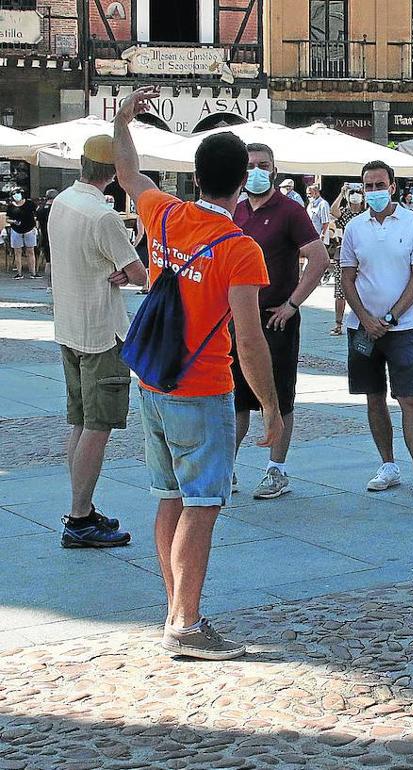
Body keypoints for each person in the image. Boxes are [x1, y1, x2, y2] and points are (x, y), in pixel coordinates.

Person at [114, 86, 280, 660]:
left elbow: (129, 172)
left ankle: (176, 608)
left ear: (197, 174)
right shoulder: (240, 248)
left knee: (168, 497)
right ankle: (184, 624)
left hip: (153, 383)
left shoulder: (164, 215)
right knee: (202, 504)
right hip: (203, 389)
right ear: (243, 183)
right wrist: (273, 408)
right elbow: (250, 338)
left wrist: (122, 120)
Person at [48, 136, 147, 549]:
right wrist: (127, 271)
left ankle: (82, 509)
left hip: (69, 326)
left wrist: (118, 271)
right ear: (114, 173)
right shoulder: (103, 217)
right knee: (97, 427)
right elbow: (140, 273)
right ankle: (79, 517)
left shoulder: (63, 202)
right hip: (102, 333)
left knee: (79, 423)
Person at [340, 160, 413, 500]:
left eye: (378, 184)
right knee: (373, 398)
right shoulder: (355, 227)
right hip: (362, 328)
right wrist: (365, 318)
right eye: (367, 186)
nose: (373, 191)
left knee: (408, 397)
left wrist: (389, 317)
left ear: (392, 186)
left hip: (401, 328)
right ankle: (387, 464)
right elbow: (346, 277)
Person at [231, 144, 329, 500]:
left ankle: (276, 470)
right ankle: (229, 468)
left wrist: (292, 303)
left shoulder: (289, 210)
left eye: (263, 165)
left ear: (274, 169)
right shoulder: (236, 210)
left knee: (278, 395)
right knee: (238, 398)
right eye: (251, 165)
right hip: (238, 318)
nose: (257, 170)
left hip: (275, 318)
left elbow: (319, 257)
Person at [328, 185, 366, 336]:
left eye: (358, 193)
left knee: (364, 290)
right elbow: (333, 211)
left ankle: (363, 320)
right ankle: (338, 324)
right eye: (353, 193)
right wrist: (342, 193)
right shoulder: (345, 213)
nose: (355, 195)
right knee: (340, 291)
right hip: (344, 255)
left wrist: (365, 193)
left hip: (363, 256)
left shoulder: (366, 213)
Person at [6, 188, 37, 279]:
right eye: (14, 194)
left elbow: (35, 215)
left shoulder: (30, 204)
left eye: (18, 193)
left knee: (30, 251)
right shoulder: (10, 207)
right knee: (17, 251)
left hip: (30, 230)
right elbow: (7, 219)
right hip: (16, 230)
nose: (16, 196)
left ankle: (33, 272)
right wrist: (13, 221)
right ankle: (19, 273)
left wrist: (36, 227)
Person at [35, 188, 56, 273]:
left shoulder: (41, 208)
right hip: (56, 237)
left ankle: (48, 281)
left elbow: (37, 224)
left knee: (48, 261)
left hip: (45, 236)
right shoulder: (56, 208)